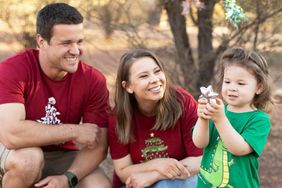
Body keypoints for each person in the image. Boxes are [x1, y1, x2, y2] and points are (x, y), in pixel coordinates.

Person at [0, 3, 111, 188]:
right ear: (41, 42)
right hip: (13, 150)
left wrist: (68, 178)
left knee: (98, 185)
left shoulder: (93, 80)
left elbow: (98, 146)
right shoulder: (13, 70)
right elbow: (11, 135)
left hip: (60, 155)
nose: (76, 50)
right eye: (66, 43)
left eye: (80, 42)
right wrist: (75, 131)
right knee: (29, 160)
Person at [108, 49, 203, 188]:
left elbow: (200, 160)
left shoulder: (183, 102)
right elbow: (122, 171)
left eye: (157, 71)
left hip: (182, 181)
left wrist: (156, 175)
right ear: (128, 86)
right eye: (144, 76)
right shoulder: (118, 117)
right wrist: (158, 164)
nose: (155, 79)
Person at [192, 47, 272, 188]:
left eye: (240, 83)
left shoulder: (259, 120)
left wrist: (220, 119)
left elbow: (238, 149)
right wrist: (203, 118)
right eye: (227, 81)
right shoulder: (218, 109)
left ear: (258, 87)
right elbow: (200, 143)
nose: (232, 88)